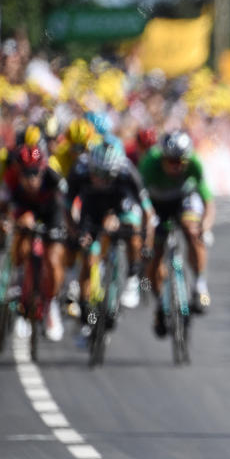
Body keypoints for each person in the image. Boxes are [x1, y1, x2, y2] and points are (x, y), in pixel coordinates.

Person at [67, 141, 155, 331]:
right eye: (97, 174)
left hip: (120, 204)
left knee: (132, 226)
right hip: (91, 208)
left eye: (108, 176)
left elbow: (148, 214)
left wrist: (146, 245)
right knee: (89, 260)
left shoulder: (127, 172)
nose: (102, 180)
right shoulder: (79, 171)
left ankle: (132, 277)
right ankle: (85, 306)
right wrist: (76, 233)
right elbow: (67, 208)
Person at [139, 131, 216, 332]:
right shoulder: (149, 164)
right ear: (162, 158)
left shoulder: (195, 164)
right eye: (170, 161)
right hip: (156, 205)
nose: (176, 166)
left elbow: (207, 200)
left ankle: (200, 287)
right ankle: (160, 303)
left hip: (184, 201)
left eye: (180, 161)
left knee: (192, 231)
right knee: (154, 257)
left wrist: (205, 227)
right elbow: (139, 200)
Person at [0, 144, 68, 341]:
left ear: (42, 168)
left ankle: (51, 304)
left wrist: (68, 230)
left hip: (50, 213)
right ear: (18, 170)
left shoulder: (54, 178)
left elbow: (67, 208)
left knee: (54, 260)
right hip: (25, 210)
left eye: (35, 172)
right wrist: (5, 223)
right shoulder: (10, 179)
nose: (31, 179)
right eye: (26, 173)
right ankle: (19, 285)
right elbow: (2, 209)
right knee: (22, 234)